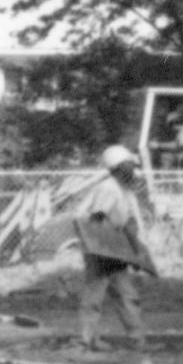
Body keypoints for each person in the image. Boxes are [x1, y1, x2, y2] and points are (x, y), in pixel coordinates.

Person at [76, 144, 153, 349]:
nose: (133, 169)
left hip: (111, 249)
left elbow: (127, 224)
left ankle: (138, 340)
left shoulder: (123, 190)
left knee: (127, 295)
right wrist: (105, 251)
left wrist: (136, 252)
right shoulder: (109, 188)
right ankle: (88, 340)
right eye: (130, 165)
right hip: (100, 248)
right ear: (119, 167)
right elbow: (97, 219)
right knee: (95, 296)